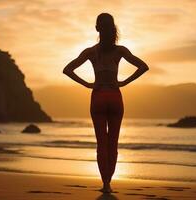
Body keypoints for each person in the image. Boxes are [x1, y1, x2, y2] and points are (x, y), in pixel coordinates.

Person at [63, 13, 149, 193]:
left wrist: (87, 84)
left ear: (97, 28)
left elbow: (67, 69)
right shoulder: (120, 51)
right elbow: (143, 66)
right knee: (113, 142)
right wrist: (124, 82)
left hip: (98, 96)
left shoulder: (90, 52)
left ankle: (106, 183)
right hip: (115, 97)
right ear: (113, 28)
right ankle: (109, 180)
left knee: (101, 143)